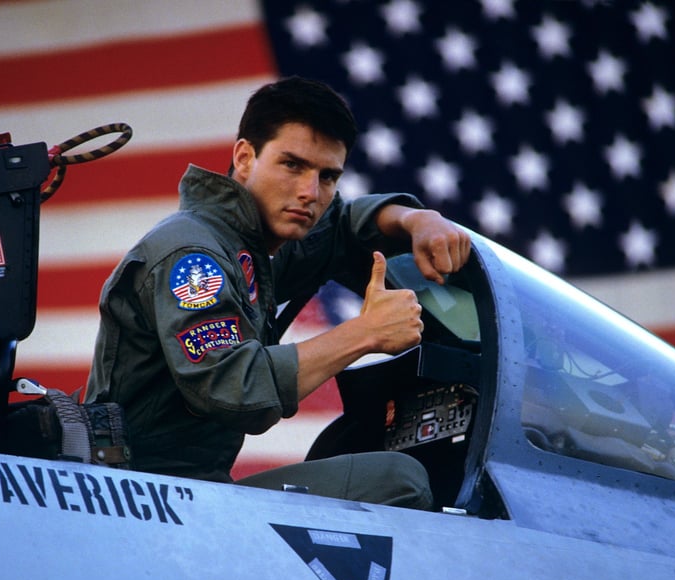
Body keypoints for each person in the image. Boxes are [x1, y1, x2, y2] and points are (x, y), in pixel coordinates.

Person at [85, 76, 470, 509]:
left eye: (327, 176)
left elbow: (342, 224)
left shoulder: (258, 242)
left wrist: (416, 220)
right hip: (145, 500)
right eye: (292, 165)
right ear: (245, 158)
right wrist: (366, 333)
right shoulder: (194, 257)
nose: (310, 193)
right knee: (399, 480)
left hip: (187, 494)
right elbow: (234, 389)